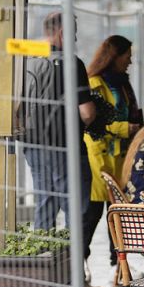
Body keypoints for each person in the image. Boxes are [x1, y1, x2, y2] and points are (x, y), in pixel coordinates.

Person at [22, 12, 97, 232]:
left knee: (45, 202)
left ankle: (43, 257)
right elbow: (87, 112)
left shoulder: (25, 58)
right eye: (73, 34)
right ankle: (73, 260)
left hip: (32, 144)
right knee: (76, 206)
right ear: (62, 32)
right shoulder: (71, 63)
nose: (74, 40)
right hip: (65, 145)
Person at [81, 35, 142, 270]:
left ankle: (119, 265)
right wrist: (125, 128)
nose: (130, 61)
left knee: (117, 213)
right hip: (101, 156)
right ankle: (78, 264)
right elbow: (94, 123)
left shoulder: (121, 83)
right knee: (93, 213)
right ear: (114, 57)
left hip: (120, 157)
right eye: (127, 56)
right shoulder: (96, 83)